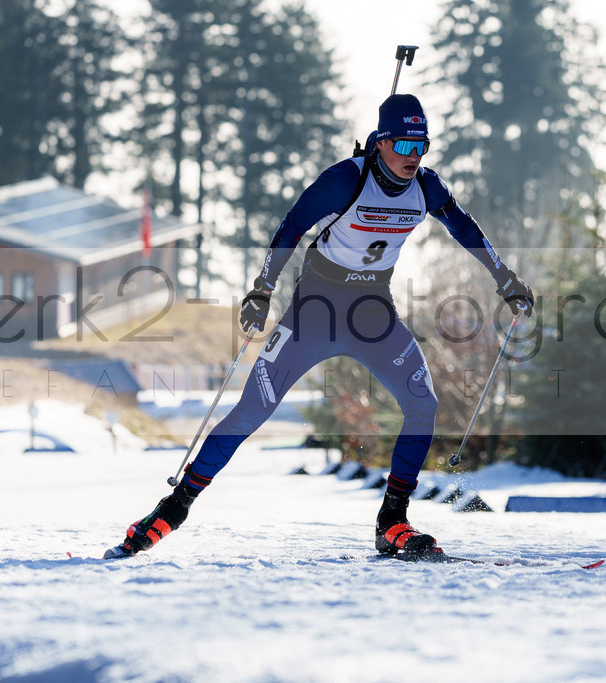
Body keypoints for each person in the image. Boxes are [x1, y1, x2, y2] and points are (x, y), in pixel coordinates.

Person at [107, 94, 534, 559]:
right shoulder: (344, 180)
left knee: (422, 404)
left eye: (422, 147)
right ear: (382, 142)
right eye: (405, 147)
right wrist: (262, 290)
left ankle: (392, 520)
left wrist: (504, 278)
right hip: (315, 311)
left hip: (373, 313)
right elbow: (291, 228)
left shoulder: (427, 187)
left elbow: (465, 229)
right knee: (250, 412)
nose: (414, 158)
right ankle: (174, 507)